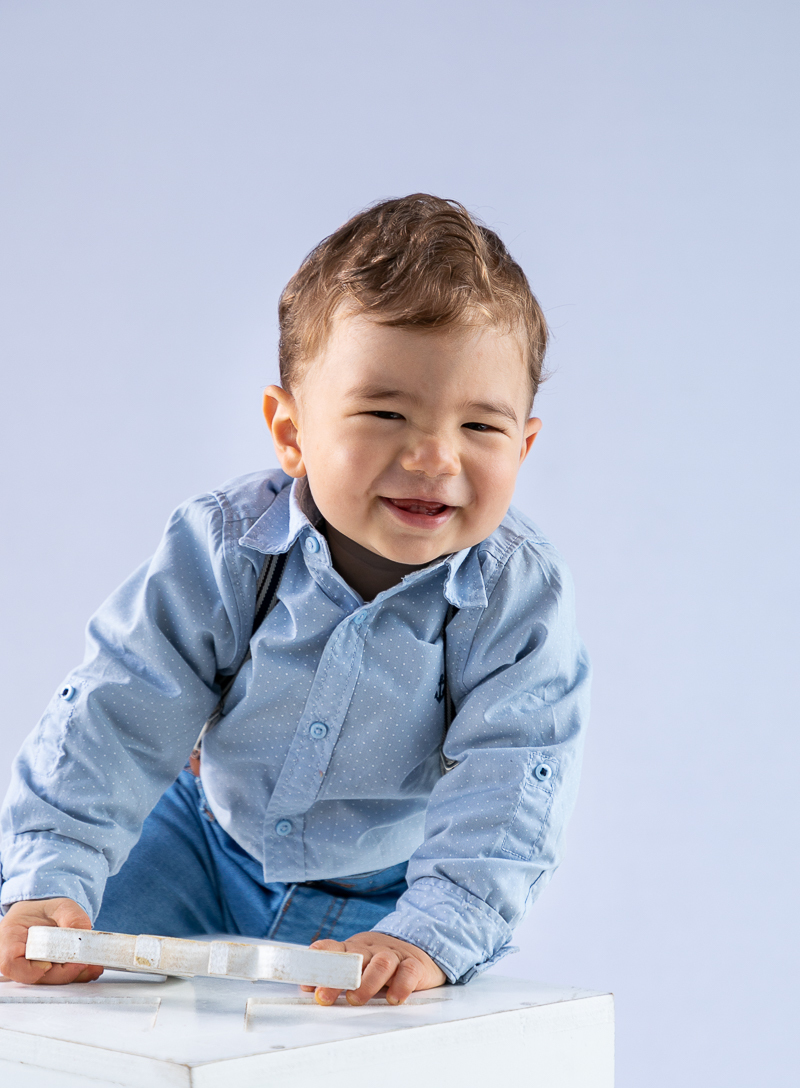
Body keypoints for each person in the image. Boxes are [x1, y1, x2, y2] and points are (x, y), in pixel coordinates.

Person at [0, 194, 590, 1006]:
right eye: (385, 413)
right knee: (50, 982)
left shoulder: (513, 600)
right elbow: (118, 709)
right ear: (291, 432)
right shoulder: (227, 549)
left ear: (523, 446)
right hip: (200, 841)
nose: (432, 457)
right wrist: (50, 867)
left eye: (481, 428)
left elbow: (511, 785)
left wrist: (430, 931)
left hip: (383, 899)